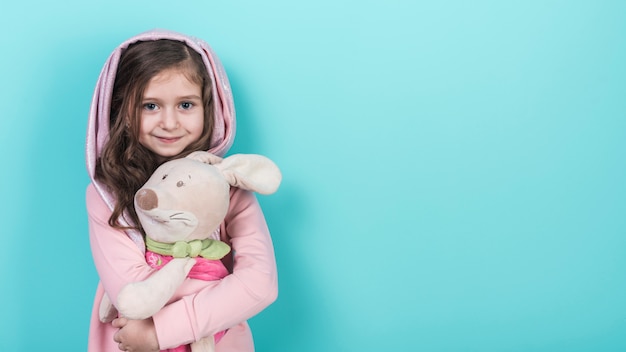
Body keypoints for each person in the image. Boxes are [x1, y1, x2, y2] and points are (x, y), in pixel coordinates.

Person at [85, 29, 278, 352]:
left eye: (186, 104)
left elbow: (261, 285)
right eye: (150, 106)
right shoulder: (107, 195)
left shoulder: (228, 190)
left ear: (209, 108)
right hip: (129, 342)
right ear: (121, 110)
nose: (170, 122)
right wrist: (224, 297)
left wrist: (160, 332)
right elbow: (133, 290)